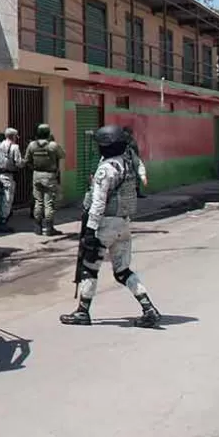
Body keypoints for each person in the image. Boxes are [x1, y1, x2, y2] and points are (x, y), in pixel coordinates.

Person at [61, 124, 162, 328]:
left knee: (89, 268)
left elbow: (98, 202)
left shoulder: (106, 169)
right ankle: (148, 308)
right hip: (123, 223)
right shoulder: (126, 164)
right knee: (122, 271)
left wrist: (90, 230)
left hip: (105, 224)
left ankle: (82, 312)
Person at [24, 123, 66, 236]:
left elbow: (26, 160)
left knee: (38, 201)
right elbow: (63, 155)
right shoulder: (53, 145)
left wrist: (34, 168)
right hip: (49, 176)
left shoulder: (32, 145)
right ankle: (49, 228)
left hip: (36, 175)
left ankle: (37, 227)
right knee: (49, 203)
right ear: (48, 133)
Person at [0, 127, 24, 233]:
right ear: (13, 136)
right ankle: (3, 222)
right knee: (7, 199)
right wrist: (25, 162)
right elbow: (18, 163)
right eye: (16, 136)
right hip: (7, 175)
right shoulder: (14, 147)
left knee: (0, 198)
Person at [121, 126, 149, 198]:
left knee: (136, 176)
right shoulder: (122, 140)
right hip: (125, 160)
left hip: (132, 159)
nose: (128, 134)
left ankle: (136, 191)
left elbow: (136, 152)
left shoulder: (131, 140)